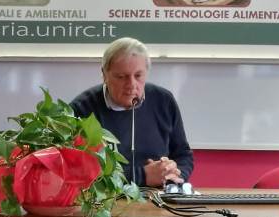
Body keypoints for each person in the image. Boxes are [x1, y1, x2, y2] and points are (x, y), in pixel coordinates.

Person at [71, 38, 193, 187]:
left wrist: (173, 174)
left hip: (161, 194)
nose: (131, 85)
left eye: (138, 76)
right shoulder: (82, 109)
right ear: (104, 75)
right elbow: (79, 170)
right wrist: (142, 176)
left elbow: (183, 155)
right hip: (108, 198)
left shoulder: (164, 100)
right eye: (121, 77)